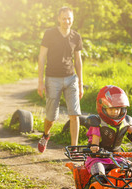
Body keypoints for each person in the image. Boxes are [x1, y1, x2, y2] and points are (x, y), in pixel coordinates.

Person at [37, 6, 83, 153]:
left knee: (74, 114)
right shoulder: (49, 34)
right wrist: (40, 82)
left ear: (72, 19)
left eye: (69, 18)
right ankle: (46, 135)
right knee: (51, 116)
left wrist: (81, 83)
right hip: (52, 79)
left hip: (71, 78)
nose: (66, 21)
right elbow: (42, 57)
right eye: (64, 18)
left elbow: (78, 61)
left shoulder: (76, 36)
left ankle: (74, 148)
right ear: (59, 19)